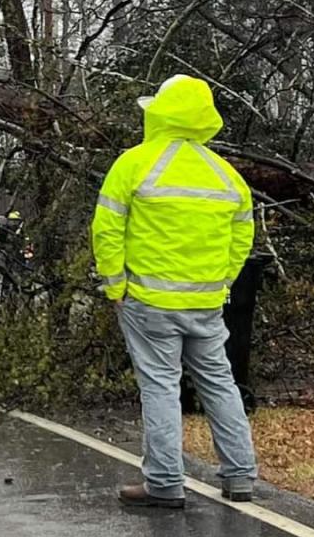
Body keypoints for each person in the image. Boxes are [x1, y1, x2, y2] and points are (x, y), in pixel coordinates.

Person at [92, 74, 257, 508]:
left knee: (161, 387)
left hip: (148, 303)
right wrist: (220, 281)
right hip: (205, 303)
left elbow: (106, 229)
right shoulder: (226, 176)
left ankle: (164, 483)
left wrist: (115, 285)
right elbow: (242, 238)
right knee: (220, 385)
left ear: (159, 114)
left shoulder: (134, 164)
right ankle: (240, 476)